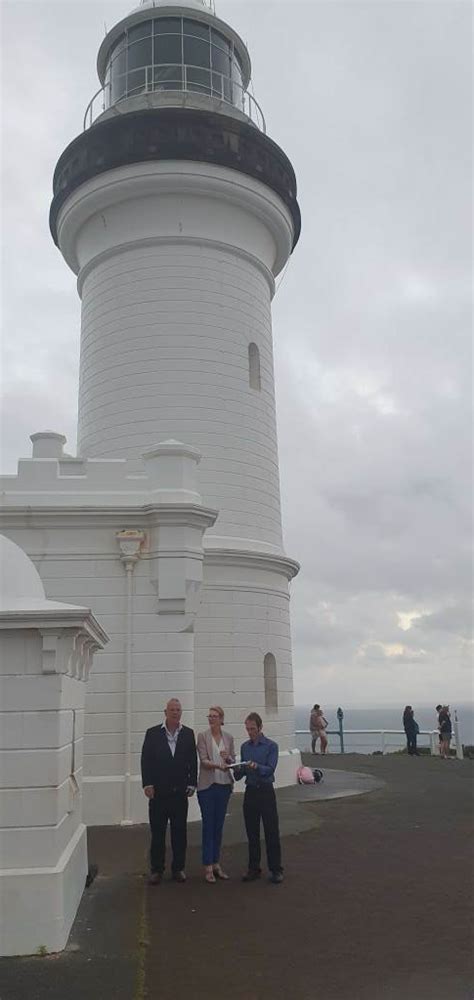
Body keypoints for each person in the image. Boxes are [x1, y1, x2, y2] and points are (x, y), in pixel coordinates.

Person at [141, 698, 197, 884]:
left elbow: (192, 760)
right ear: (165, 712)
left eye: (178, 709)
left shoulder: (188, 734)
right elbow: (146, 760)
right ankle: (157, 870)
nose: (175, 712)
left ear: (181, 713)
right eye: (172, 709)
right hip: (158, 794)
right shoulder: (152, 734)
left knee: (179, 832)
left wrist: (192, 783)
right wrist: (147, 784)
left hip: (179, 793)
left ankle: (178, 869)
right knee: (157, 833)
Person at [232, 712, 283, 884]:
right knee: (252, 832)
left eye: (252, 729)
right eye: (247, 729)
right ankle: (254, 868)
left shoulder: (271, 746)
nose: (250, 732)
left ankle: (276, 869)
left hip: (266, 791)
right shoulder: (245, 747)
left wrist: (255, 766)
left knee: (271, 831)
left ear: (260, 728)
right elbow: (240, 775)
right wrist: (233, 765)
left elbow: (270, 769)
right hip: (251, 791)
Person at [197, 706, 235, 883]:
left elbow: (232, 760)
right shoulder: (202, 736)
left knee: (218, 826)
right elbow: (204, 761)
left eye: (214, 716)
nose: (211, 719)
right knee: (208, 826)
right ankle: (208, 866)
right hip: (207, 786)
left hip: (224, 785)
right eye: (209, 716)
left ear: (221, 718)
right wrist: (218, 765)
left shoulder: (228, 737)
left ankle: (216, 862)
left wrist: (228, 759)